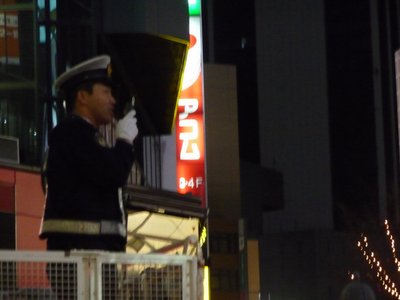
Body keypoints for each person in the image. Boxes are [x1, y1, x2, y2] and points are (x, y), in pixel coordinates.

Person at [39, 55, 138, 298]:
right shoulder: (71, 133)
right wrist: (124, 142)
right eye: (106, 92)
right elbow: (112, 173)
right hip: (80, 256)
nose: (113, 100)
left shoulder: (82, 136)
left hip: (88, 255)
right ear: (82, 96)